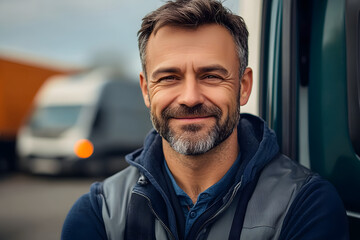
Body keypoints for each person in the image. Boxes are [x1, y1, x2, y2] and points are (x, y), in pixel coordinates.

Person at [61, 0, 349, 239]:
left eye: (211, 76)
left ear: (243, 86)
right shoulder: (97, 214)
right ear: (146, 90)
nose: (190, 97)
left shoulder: (307, 205)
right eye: (169, 78)